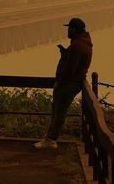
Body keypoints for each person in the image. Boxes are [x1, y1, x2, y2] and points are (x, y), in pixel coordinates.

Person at [34, 17, 93, 149]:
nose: (67, 31)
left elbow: (70, 69)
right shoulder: (82, 43)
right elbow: (73, 62)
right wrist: (65, 53)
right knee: (57, 110)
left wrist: (60, 83)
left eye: (69, 28)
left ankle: (51, 139)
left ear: (74, 29)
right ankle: (50, 138)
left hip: (69, 84)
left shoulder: (77, 46)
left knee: (59, 111)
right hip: (72, 82)